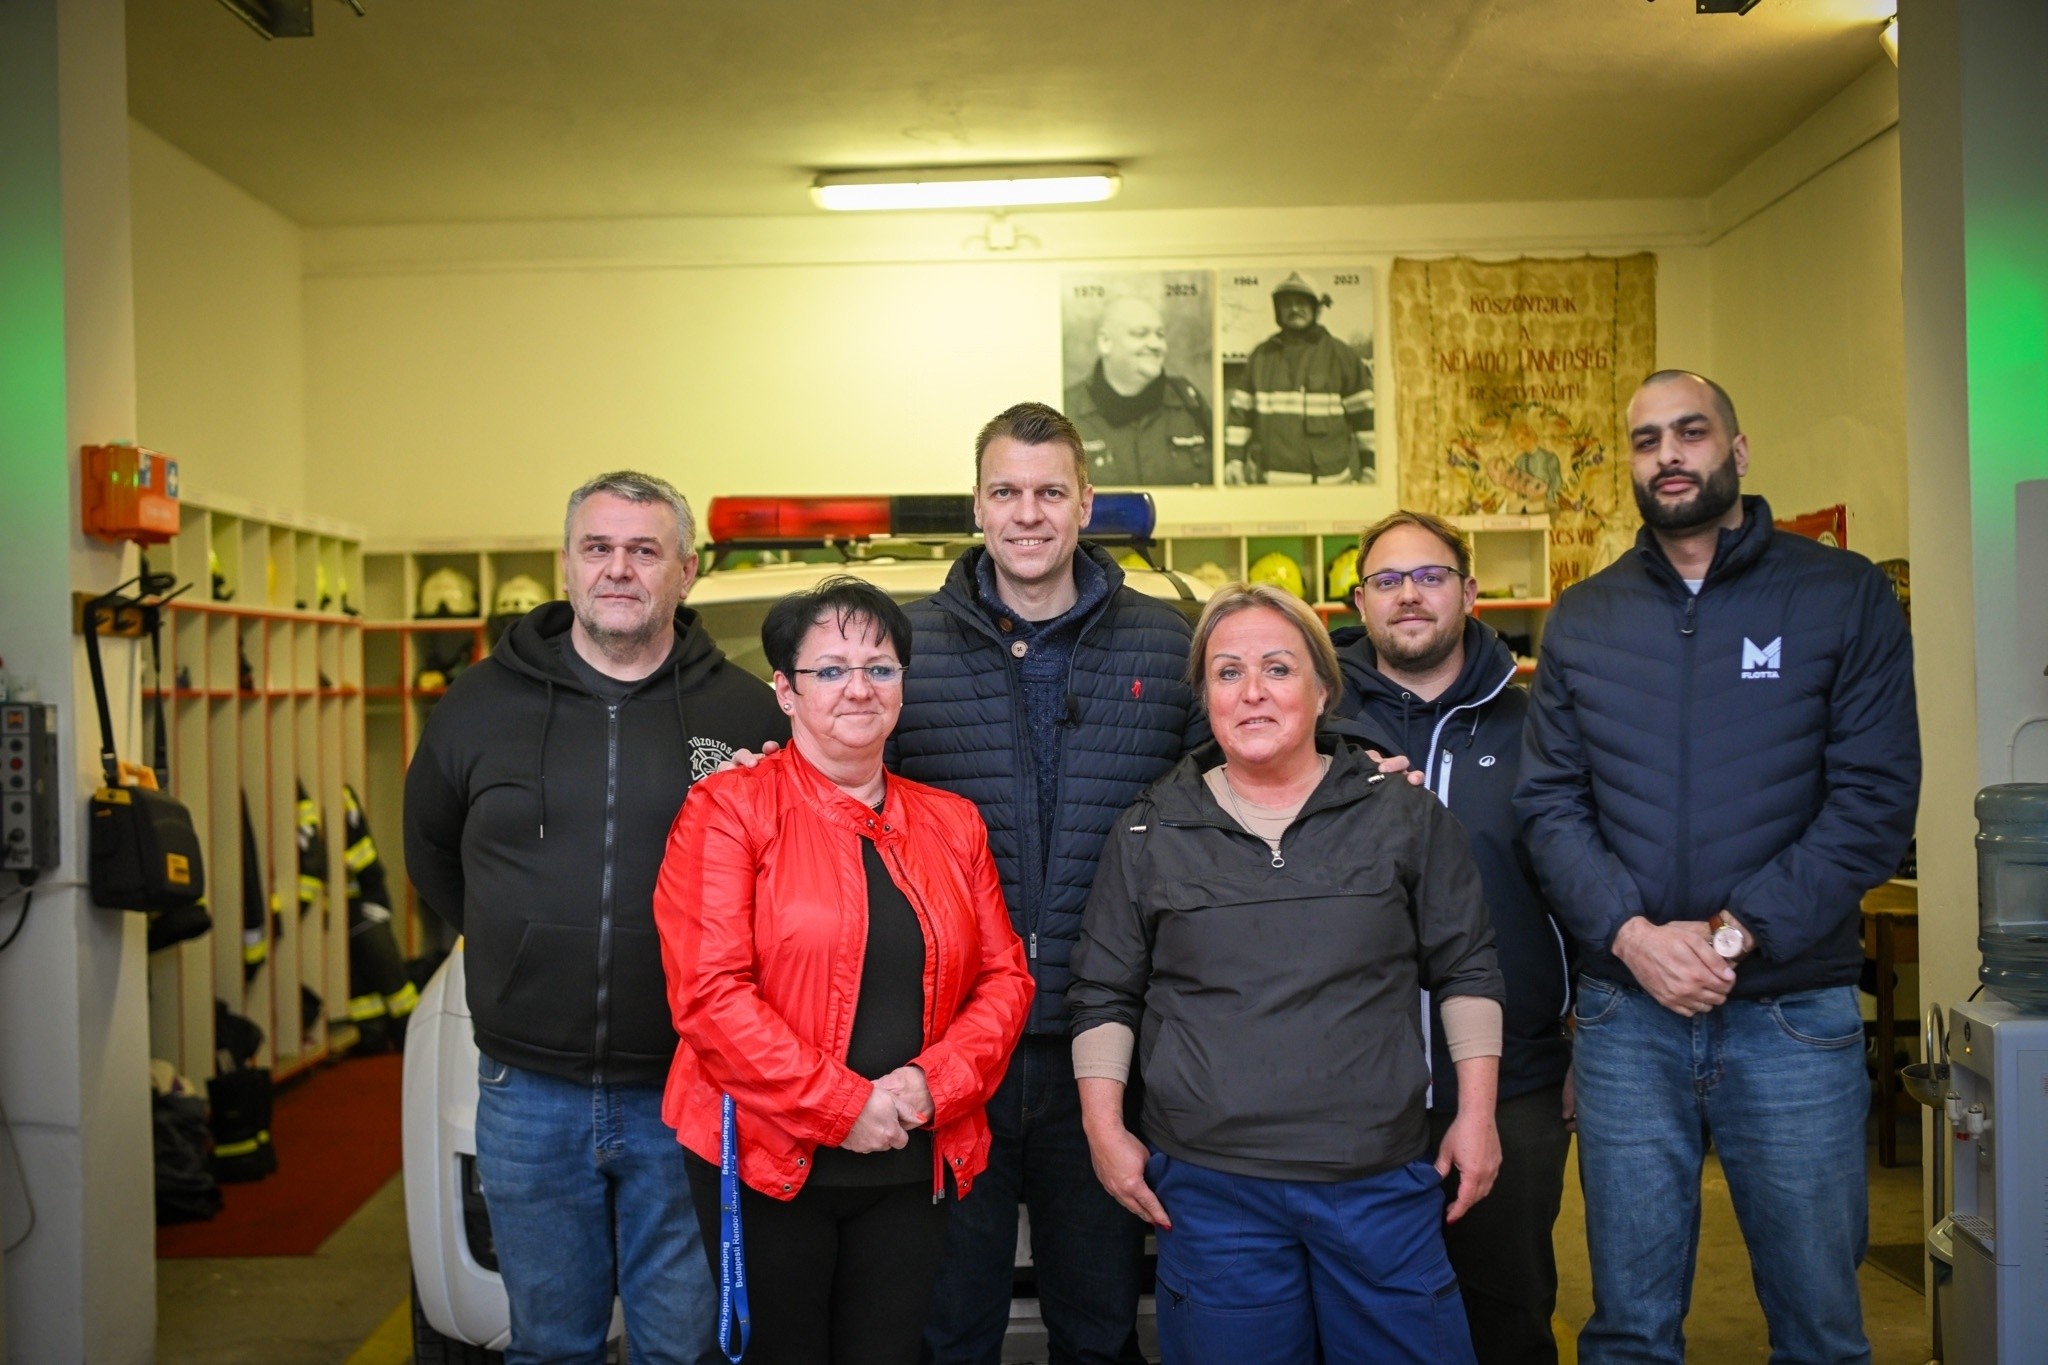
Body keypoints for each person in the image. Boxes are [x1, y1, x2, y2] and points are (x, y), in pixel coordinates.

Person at [1516, 370, 1920, 1365]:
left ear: (1736, 450)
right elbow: (1548, 804)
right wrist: (1631, 937)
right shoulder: (1585, 617)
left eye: (1689, 432)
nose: (1667, 455)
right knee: (1627, 1331)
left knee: (1820, 1329)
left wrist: (1730, 938)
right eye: (1645, 439)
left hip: (1791, 1015)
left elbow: (1872, 801)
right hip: (1625, 1021)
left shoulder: (1841, 594)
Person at [1068, 582, 1505, 1365]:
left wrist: (1478, 1114)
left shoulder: (1403, 814)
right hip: (1213, 1194)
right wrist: (1104, 1130)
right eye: (1228, 672)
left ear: (1323, 689)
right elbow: (1105, 991)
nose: (1253, 692)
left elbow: (1467, 967)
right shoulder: (1148, 829)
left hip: (1377, 1183)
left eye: (1278, 667)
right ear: (1204, 697)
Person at [404, 470, 785, 1365]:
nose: (619, 568)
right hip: (528, 1093)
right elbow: (432, 852)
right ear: (567, 565)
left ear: (685, 571)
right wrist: (521, 948)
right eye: (598, 548)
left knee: (680, 1352)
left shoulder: (745, 713)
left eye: (645, 550)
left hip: (691, 1088)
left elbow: (789, 884)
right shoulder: (480, 704)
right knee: (549, 1346)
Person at [654, 577, 1034, 1365]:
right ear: (785, 691)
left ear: (901, 686)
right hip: (767, 1160)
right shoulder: (728, 810)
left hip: (912, 1158)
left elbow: (1005, 979)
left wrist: (932, 1083)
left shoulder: (953, 822)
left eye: (879, 667)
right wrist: (842, 1106)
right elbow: (710, 995)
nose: (858, 687)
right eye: (829, 669)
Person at [900, 402, 1205, 1365]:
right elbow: (827, 793)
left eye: (1048, 491)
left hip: (1111, 1048)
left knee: (1100, 1327)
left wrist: (1357, 758)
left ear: (1084, 502)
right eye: (1005, 491)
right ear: (976, 505)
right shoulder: (899, 650)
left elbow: (1259, 765)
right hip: (950, 1050)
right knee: (950, 1332)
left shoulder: (1168, 642)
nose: (1027, 513)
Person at [1328, 510, 1574, 1365]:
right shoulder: (1313, 729)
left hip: (1515, 1081)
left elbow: (1580, 887)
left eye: (1429, 576)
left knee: (1509, 1314)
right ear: (1360, 601)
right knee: (1365, 1326)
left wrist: (1586, 1042)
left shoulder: (1540, 728)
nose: (1408, 595)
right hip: (1349, 1088)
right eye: (1387, 580)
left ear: (1470, 593)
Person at [1224, 272, 1374, 485]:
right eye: (1287, 303)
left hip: (1328, 486)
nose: (1294, 309)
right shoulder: (1261, 356)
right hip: (1269, 486)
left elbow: (1366, 419)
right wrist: (1234, 461)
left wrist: (1371, 468)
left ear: (1316, 308)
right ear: (1278, 310)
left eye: (1301, 302)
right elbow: (1240, 416)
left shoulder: (1342, 356)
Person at [1064, 295, 1214, 486]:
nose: (1156, 344)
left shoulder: (1189, 402)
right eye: (1140, 334)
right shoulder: (1067, 411)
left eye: (1160, 335)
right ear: (1105, 342)